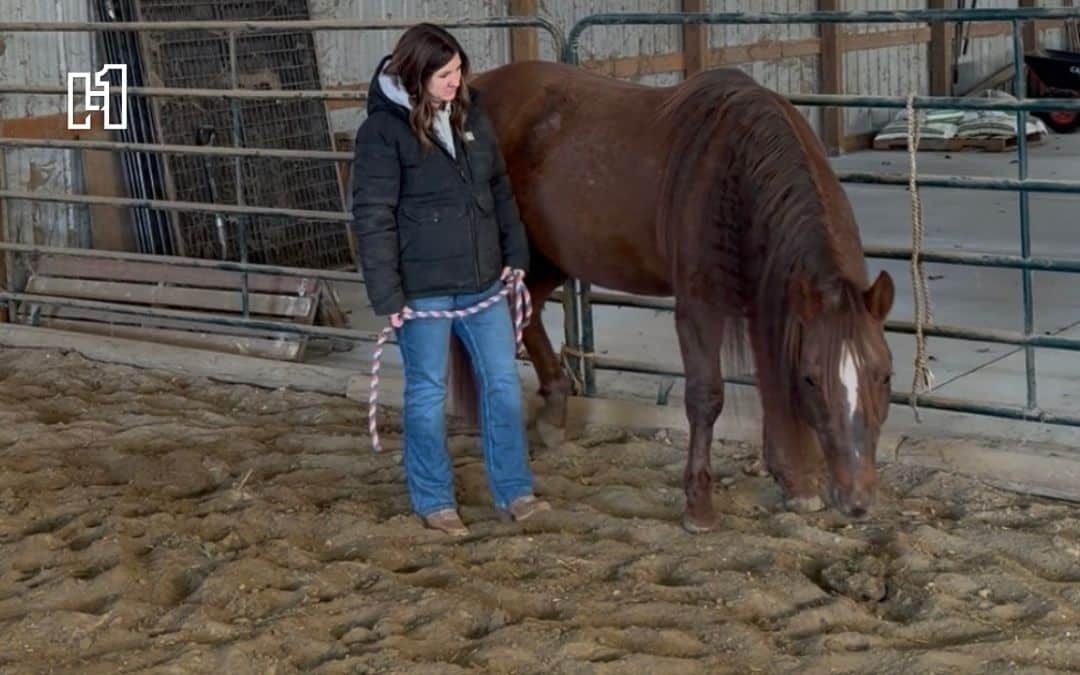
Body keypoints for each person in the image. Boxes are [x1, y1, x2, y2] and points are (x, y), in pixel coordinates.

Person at [350, 23, 550, 536]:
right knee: (427, 392)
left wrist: (515, 254)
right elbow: (373, 216)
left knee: (504, 384)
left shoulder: (470, 114)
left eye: (459, 70)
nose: (456, 82)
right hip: (423, 290)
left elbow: (498, 187)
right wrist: (388, 294)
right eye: (445, 74)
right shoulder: (382, 133)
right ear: (416, 76)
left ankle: (514, 489)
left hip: (484, 280)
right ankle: (434, 500)